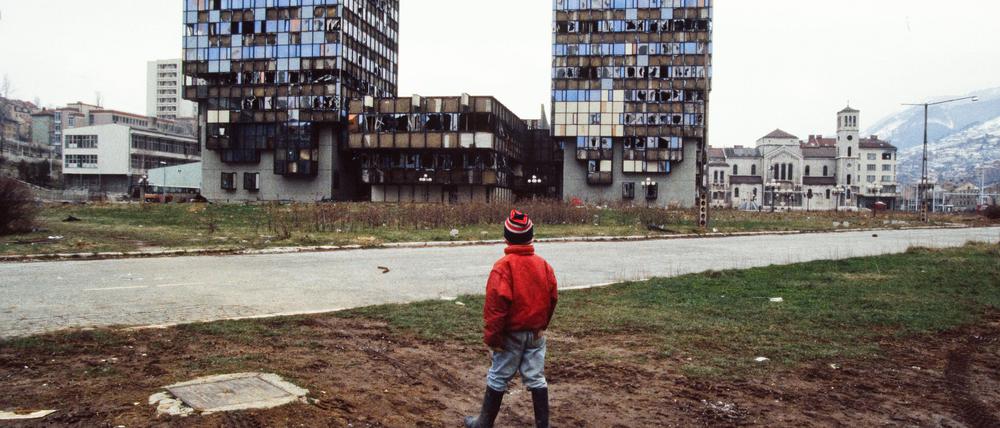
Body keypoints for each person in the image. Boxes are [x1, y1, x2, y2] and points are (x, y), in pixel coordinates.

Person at [464, 210, 559, 428]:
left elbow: (495, 308)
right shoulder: (544, 265)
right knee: (536, 377)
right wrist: (542, 325)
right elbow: (552, 298)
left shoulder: (503, 267)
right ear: (532, 237)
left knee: (498, 376)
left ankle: (483, 423)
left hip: (510, 336)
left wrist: (493, 339)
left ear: (505, 238)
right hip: (536, 334)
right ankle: (542, 425)